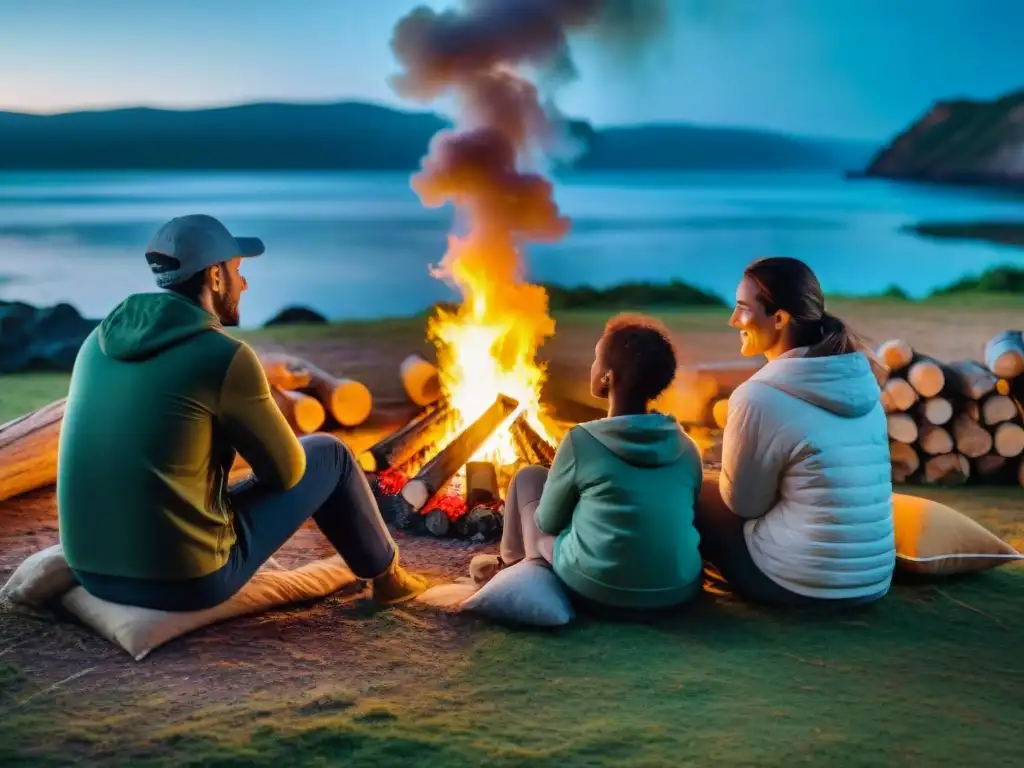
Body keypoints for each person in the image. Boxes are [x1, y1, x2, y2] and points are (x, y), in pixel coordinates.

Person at [57, 213, 428, 612]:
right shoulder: (224, 356)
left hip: (90, 571)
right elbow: (287, 473)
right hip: (185, 582)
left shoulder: (96, 344)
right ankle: (390, 579)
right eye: (238, 270)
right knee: (330, 455)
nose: (245, 283)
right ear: (215, 276)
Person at [471, 313, 705, 616]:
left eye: (597, 359)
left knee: (528, 478)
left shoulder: (582, 441)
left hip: (599, 589)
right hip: (677, 590)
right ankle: (519, 570)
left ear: (607, 376)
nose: (592, 367)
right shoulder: (686, 447)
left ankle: (519, 571)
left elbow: (547, 523)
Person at [695, 256, 895, 607]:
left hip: (799, 582)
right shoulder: (862, 385)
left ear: (779, 318)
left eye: (743, 308)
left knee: (696, 489)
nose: (733, 320)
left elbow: (743, 504)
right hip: (872, 579)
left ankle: (653, 586)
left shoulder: (757, 397)